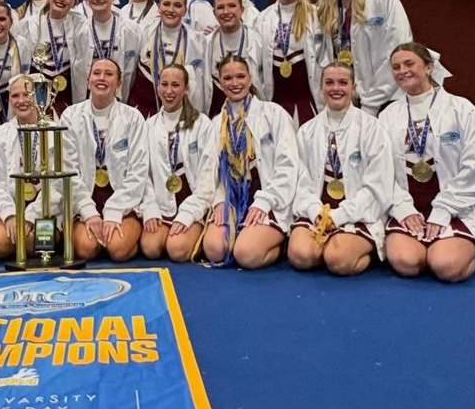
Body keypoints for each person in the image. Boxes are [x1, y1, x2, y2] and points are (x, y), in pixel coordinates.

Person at [379, 43, 475, 283]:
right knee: (407, 263)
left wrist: (444, 208)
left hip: (456, 206)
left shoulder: (462, 109)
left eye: (409, 64)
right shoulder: (387, 115)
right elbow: (379, 171)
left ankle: (459, 250)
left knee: (445, 267)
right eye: (396, 67)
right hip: (409, 207)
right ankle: (429, 244)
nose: (402, 71)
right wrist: (402, 208)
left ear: (429, 67)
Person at [288, 62, 394, 276]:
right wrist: (315, 212)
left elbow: (377, 186)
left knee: (339, 261)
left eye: (343, 83)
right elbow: (300, 182)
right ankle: (334, 244)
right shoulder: (306, 131)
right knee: (301, 256)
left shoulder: (373, 128)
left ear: (353, 88)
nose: (336, 88)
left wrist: (339, 216)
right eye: (329, 82)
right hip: (319, 211)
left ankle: (355, 249)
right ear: (321, 87)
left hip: (359, 212)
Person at [198, 55, 298, 268]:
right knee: (215, 250)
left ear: (250, 78)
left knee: (246, 255)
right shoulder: (216, 123)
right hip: (232, 199)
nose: (235, 83)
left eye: (240, 76)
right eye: (228, 78)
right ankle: (245, 233)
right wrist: (218, 200)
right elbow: (208, 173)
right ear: (220, 82)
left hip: (270, 198)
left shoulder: (274, 114)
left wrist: (265, 201)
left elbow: (288, 166)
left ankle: (277, 244)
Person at [62, 58, 148, 262]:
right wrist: (89, 212)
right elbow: (68, 170)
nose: (102, 78)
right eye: (97, 73)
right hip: (84, 198)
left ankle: (130, 239)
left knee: (117, 250)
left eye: (109, 74)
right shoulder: (70, 116)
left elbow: (138, 171)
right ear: (88, 79)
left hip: (122, 200)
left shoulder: (133, 117)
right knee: (85, 249)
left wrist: (115, 211)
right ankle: (98, 231)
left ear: (119, 83)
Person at [316, 0, 412, 115]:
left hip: (387, 99)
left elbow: (396, 49)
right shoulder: (327, 6)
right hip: (348, 99)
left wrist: (372, 102)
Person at [0, 75, 64, 259]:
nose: (21, 101)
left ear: (38, 96)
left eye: (27, 94)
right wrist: (10, 214)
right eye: (15, 96)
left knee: (37, 244)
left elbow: (58, 185)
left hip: (45, 210)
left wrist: (30, 216)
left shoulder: (55, 131)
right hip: (12, 208)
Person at [140, 65, 214, 263]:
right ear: (157, 88)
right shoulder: (148, 126)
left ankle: (201, 233)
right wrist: (150, 209)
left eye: (175, 85)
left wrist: (190, 214)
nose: (169, 91)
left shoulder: (203, 124)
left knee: (177, 250)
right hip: (163, 204)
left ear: (186, 89)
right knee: (150, 248)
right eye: (164, 84)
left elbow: (209, 176)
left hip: (194, 202)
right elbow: (142, 175)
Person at [257, 0, 326, 126]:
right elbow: (257, 65)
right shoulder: (263, 18)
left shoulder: (315, 16)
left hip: (308, 103)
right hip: (275, 103)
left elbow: (325, 59)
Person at [127, 0, 209, 117]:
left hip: (180, 112)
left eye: (177, 5)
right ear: (159, 7)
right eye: (166, 4)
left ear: (184, 10)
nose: (171, 10)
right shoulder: (142, 33)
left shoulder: (197, 41)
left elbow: (202, 87)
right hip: (144, 111)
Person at [20, 0, 85, 114]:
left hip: (67, 91)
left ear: (74, 2)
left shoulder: (81, 25)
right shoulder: (28, 25)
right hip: (38, 88)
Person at [73, 0, 141, 102]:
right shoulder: (79, 30)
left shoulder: (131, 30)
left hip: (121, 99)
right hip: (88, 100)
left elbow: (133, 72)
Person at [203, 0, 266, 117]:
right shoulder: (205, 44)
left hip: (254, 115)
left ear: (242, 10)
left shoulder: (259, 41)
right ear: (214, 13)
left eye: (232, 6)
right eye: (220, 7)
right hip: (217, 115)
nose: (226, 12)